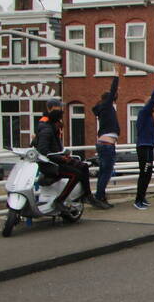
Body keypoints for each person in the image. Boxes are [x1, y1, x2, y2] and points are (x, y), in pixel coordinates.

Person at [33, 99, 107, 210]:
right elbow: (44, 150)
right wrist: (61, 158)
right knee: (75, 174)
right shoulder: (46, 128)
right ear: (50, 109)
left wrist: (64, 155)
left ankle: (87, 195)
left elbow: (47, 145)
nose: (61, 112)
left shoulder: (51, 126)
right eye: (58, 109)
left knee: (84, 166)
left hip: (57, 159)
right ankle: (60, 200)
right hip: (52, 164)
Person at [133, 76, 154, 210]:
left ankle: (142, 196)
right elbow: (152, 100)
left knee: (148, 173)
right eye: (153, 103)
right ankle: (138, 200)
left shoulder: (149, 116)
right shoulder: (144, 113)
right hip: (144, 146)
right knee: (144, 173)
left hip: (149, 146)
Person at [92, 76, 119, 208]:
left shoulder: (103, 109)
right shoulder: (107, 107)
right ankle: (99, 198)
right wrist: (116, 76)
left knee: (103, 172)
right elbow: (113, 91)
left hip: (104, 144)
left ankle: (100, 197)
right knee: (106, 173)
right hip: (107, 145)